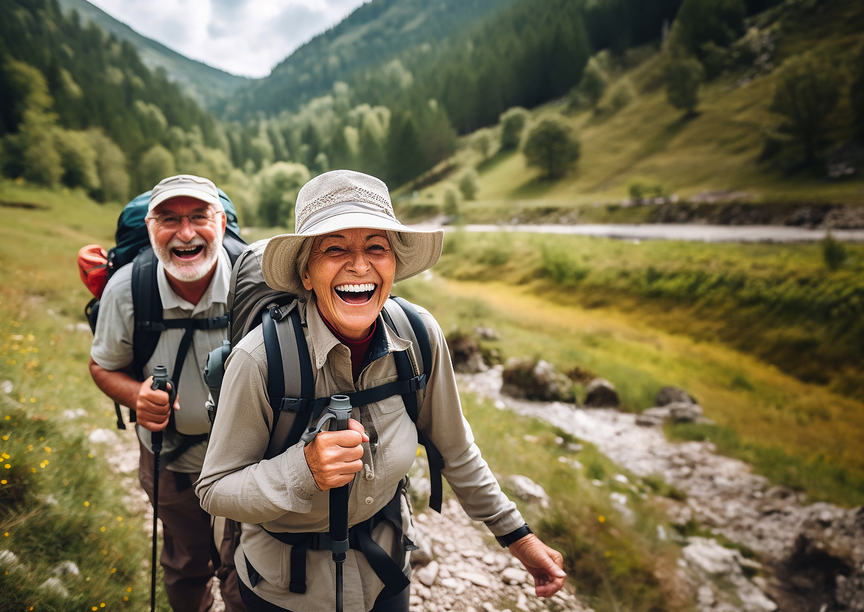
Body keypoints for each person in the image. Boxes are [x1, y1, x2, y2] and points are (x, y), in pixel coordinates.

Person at [194, 169, 566, 612]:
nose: (359, 265)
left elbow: (455, 450)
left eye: (376, 247)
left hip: (387, 573)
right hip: (284, 592)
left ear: (394, 266)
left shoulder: (420, 335)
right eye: (334, 249)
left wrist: (518, 538)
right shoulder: (259, 359)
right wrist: (303, 470)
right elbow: (214, 488)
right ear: (306, 274)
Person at [89, 174, 245, 612]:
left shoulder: (251, 280)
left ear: (220, 221)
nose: (186, 233)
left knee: (249, 570)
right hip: (170, 460)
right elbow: (101, 366)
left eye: (199, 217)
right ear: (152, 227)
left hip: (249, 459)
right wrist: (136, 394)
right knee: (186, 564)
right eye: (169, 220)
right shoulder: (127, 289)